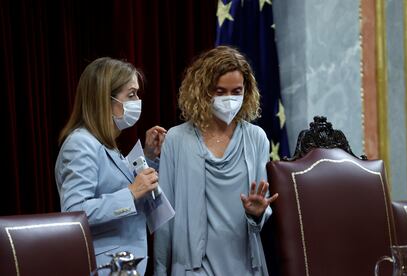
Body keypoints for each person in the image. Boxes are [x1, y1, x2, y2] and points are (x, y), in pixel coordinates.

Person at [153, 46, 279, 276]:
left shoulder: (256, 138)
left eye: (236, 91)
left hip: (244, 261)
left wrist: (257, 213)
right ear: (203, 91)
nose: (229, 99)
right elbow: (164, 217)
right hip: (192, 266)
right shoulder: (176, 139)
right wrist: (160, 270)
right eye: (220, 92)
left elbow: (260, 208)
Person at [55, 57, 166, 275]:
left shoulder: (104, 143)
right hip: (102, 267)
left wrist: (148, 156)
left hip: (123, 265)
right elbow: (73, 213)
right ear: (105, 99)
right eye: (131, 94)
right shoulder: (80, 143)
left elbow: (117, 186)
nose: (137, 101)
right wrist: (132, 192)